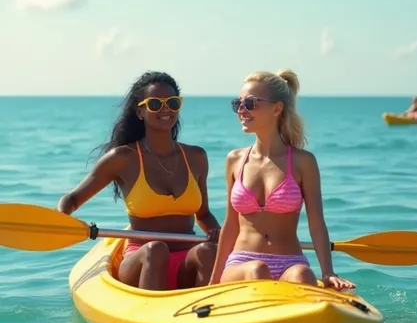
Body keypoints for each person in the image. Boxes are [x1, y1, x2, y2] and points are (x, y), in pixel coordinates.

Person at [57, 71, 220, 290]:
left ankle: (206, 316)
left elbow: (204, 215)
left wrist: (218, 233)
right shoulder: (123, 158)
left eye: (172, 103)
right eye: (155, 103)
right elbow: (73, 198)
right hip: (143, 260)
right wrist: (61, 218)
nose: (165, 109)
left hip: (186, 261)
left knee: (208, 252)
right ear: (140, 111)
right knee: (156, 249)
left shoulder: (196, 157)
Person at [208, 69, 355, 291]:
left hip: (290, 262)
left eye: (250, 103)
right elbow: (230, 224)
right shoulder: (235, 160)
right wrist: (214, 280)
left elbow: (316, 223)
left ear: (277, 108)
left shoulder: (303, 162)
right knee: (257, 270)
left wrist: (328, 273)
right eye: (237, 103)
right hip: (242, 264)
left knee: (303, 274)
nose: (241, 110)